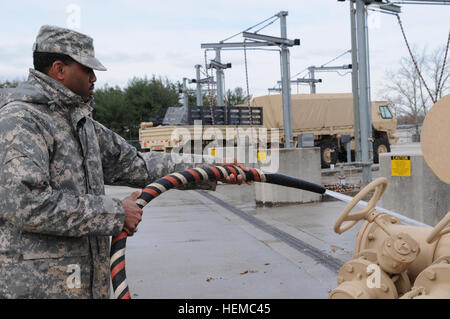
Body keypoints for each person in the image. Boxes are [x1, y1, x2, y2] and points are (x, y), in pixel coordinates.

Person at [0, 25, 245, 299]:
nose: (94, 77)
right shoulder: (20, 121)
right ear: (59, 69)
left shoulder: (81, 125)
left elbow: (139, 164)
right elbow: (24, 204)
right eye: (87, 69)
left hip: (85, 286)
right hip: (38, 289)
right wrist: (115, 213)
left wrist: (214, 169)